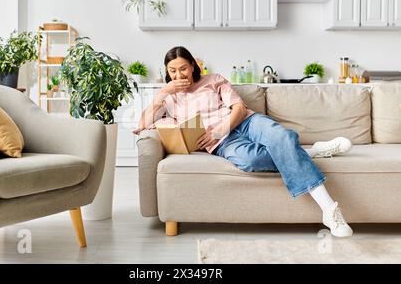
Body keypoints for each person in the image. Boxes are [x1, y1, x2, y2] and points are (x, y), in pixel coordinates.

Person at [133, 46, 353, 237]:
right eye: (172, 71)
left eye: (183, 68)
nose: (179, 75)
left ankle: (329, 211)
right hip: (221, 143)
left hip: (245, 122)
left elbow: (238, 108)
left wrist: (221, 129)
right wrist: (162, 92)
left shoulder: (213, 80)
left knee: (281, 136)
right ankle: (309, 152)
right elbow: (141, 124)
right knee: (252, 160)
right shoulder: (168, 97)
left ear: (192, 66)